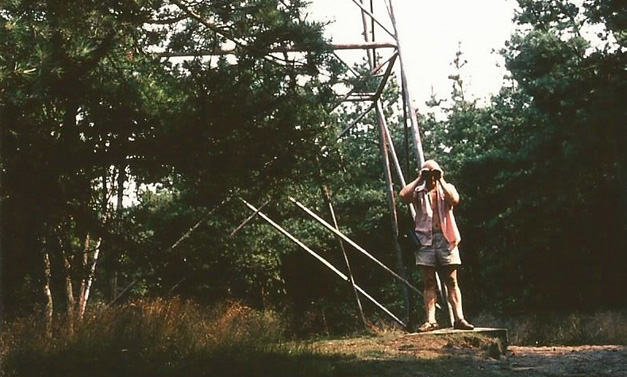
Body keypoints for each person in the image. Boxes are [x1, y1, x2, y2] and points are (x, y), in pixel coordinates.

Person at [399, 159, 474, 332]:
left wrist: (440, 179)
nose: (430, 177)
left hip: (446, 238)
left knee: (451, 280)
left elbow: (454, 200)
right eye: (428, 174)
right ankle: (431, 320)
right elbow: (403, 196)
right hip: (425, 239)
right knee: (429, 281)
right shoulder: (418, 191)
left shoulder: (446, 188)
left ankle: (459, 318)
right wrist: (420, 178)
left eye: (433, 173)